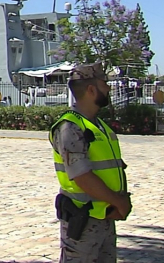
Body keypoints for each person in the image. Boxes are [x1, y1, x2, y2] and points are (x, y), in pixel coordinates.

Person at [49, 62, 131, 262]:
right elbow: (81, 176)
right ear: (91, 89)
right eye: (105, 84)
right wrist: (119, 201)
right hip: (83, 220)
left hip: (105, 217)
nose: (109, 88)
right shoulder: (70, 127)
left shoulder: (98, 126)